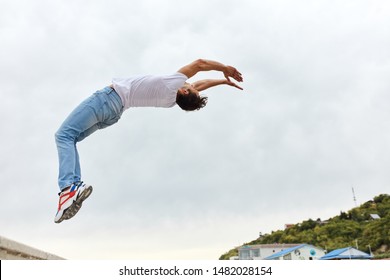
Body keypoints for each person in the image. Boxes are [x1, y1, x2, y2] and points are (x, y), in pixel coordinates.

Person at [54, 59, 244, 223]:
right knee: (73, 138)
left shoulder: (172, 84)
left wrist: (224, 69)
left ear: (185, 92)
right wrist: (222, 82)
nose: (192, 83)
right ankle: (74, 187)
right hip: (114, 113)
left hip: (107, 99)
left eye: (190, 86)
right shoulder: (170, 100)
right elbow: (200, 85)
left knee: (64, 135)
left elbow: (200, 64)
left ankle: (67, 189)